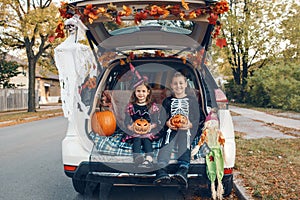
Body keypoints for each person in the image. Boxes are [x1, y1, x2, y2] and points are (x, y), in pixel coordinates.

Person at [154, 72, 201, 187]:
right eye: (175, 83)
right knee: (167, 141)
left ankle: (183, 169)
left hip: (186, 128)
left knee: (185, 140)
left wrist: (190, 124)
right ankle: (161, 169)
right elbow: (161, 118)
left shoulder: (192, 101)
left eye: (181, 83)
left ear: (185, 84)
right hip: (171, 128)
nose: (178, 86)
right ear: (171, 85)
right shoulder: (167, 101)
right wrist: (167, 123)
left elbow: (199, 118)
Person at [123, 81, 160, 167]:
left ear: (148, 92)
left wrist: (151, 126)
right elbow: (126, 121)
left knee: (147, 141)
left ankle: (149, 159)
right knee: (137, 140)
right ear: (135, 92)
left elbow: (156, 122)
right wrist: (130, 127)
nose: (141, 94)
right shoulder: (131, 106)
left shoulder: (152, 106)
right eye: (138, 91)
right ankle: (137, 157)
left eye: (143, 91)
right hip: (135, 130)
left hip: (148, 131)